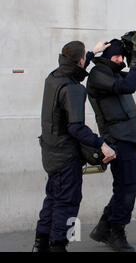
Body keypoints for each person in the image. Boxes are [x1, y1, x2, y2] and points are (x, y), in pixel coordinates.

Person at [34, 41, 116, 252]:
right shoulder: (74, 89)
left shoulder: (53, 77)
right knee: (67, 204)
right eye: (83, 60)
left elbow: (73, 69)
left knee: (52, 199)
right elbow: (76, 128)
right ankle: (58, 246)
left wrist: (92, 53)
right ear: (79, 61)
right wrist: (102, 144)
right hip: (66, 157)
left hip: (50, 153)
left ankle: (41, 245)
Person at [86, 35, 136, 252]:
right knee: (127, 188)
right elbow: (129, 86)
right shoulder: (98, 75)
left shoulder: (114, 73)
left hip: (130, 137)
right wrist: (133, 61)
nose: (118, 59)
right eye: (114, 55)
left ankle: (103, 228)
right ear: (105, 57)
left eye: (120, 55)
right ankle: (116, 232)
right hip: (117, 138)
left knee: (127, 186)